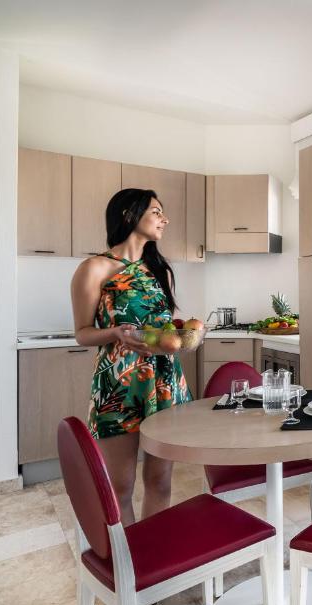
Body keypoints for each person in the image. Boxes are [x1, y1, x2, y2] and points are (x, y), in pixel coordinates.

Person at [70, 188, 192, 528]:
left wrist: (181, 337)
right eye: (156, 211)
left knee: (160, 481)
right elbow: (82, 332)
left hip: (165, 384)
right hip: (119, 388)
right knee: (119, 489)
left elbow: (165, 329)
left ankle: (154, 558)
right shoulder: (94, 268)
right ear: (128, 215)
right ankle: (131, 569)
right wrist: (115, 333)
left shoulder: (160, 271)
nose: (164, 219)